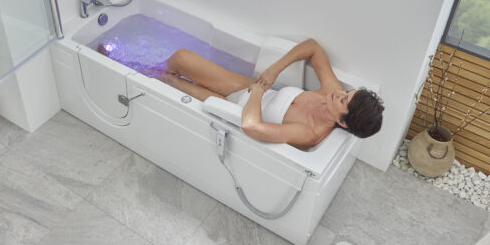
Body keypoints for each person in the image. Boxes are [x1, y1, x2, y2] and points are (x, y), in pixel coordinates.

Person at [157, 39, 384, 149]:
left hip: (233, 111)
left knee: (169, 80)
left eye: (344, 100)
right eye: (347, 92)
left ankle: (150, 75)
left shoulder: (308, 132)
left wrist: (257, 92)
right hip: (244, 88)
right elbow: (313, 47)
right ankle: (156, 70)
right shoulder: (331, 92)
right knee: (180, 57)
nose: (339, 93)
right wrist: (275, 69)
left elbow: (251, 126)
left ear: (342, 122)